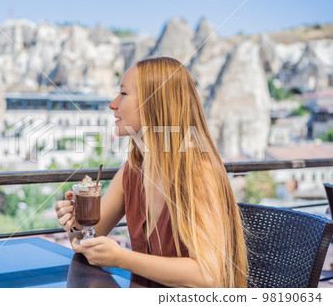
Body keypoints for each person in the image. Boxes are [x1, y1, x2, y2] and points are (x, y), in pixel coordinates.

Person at [55, 57, 248, 288]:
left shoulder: (198, 173)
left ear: (154, 103)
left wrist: (122, 258)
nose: (113, 104)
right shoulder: (133, 169)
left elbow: (210, 275)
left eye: (123, 94)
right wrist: (77, 224)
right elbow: (90, 240)